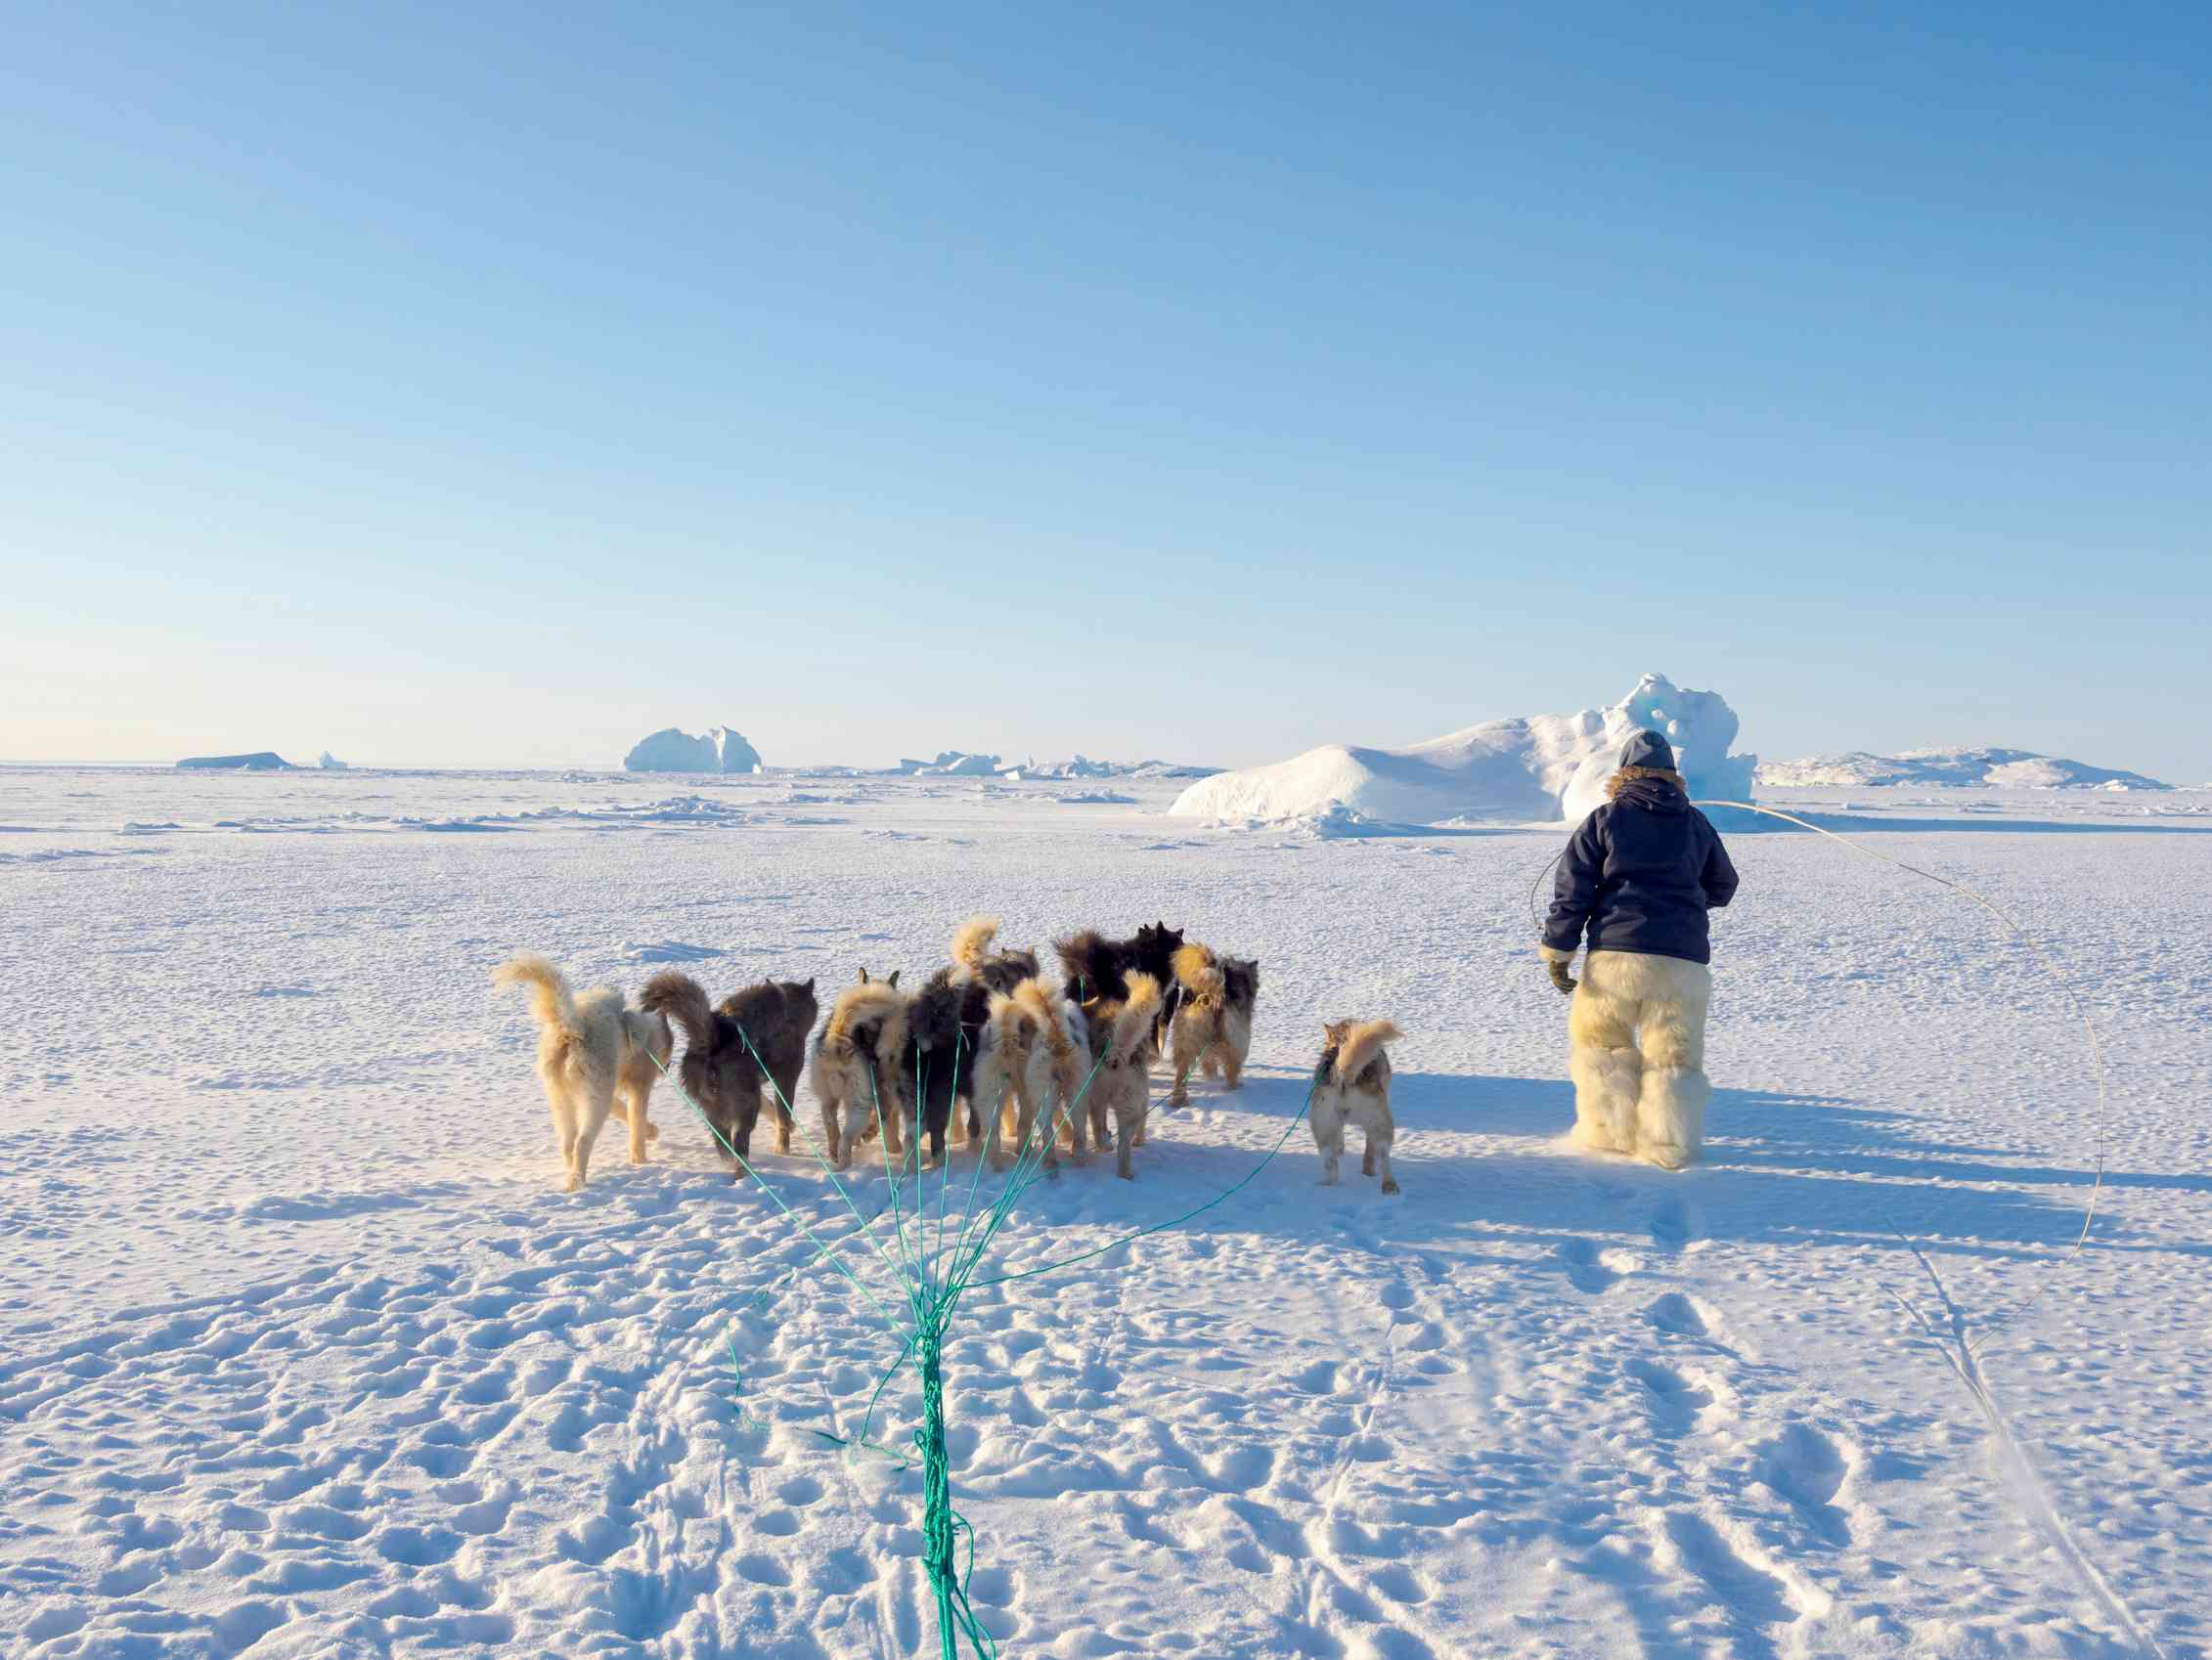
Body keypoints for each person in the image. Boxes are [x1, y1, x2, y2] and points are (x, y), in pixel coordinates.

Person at [1539, 730, 1739, 1169]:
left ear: (1623, 774)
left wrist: (1559, 952)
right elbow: (1724, 886)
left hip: (1615, 960)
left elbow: (1572, 893)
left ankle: (1608, 1134)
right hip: (1682, 963)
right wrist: (1682, 905)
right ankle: (1669, 1143)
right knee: (1675, 1056)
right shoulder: (1696, 822)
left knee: (1602, 1044)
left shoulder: (1604, 819)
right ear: (1673, 776)